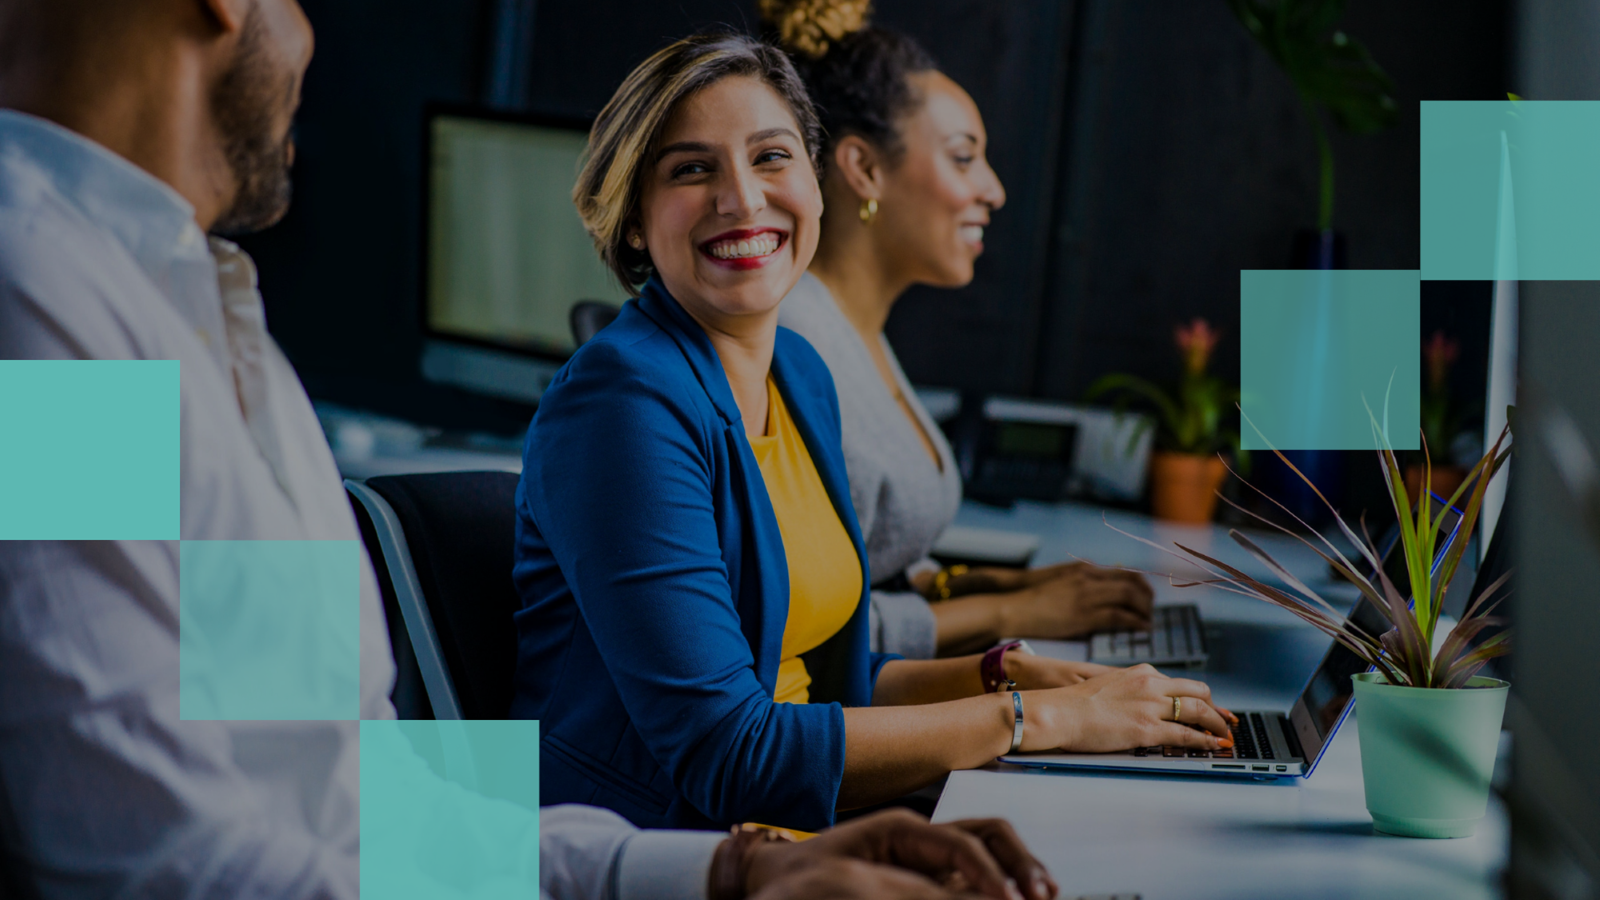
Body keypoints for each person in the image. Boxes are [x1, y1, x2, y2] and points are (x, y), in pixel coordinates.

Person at [0, 3, 1042, 899]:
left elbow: (340, 796)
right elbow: (152, 857)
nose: (312, 34)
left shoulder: (190, 306)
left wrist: (730, 876)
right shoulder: (44, 310)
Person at [513, 31, 1235, 839]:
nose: (744, 199)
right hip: (658, 851)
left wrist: (1003, 674)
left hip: (804, 830)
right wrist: (1040, 717)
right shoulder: (622, 403)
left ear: (817, 185)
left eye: (772, 157)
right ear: (636, 221)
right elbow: (730, 752)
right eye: (692, 169)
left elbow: (830, 686)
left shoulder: (799, 371)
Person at [762, 1, 1155, 660]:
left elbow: (867, 560)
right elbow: (802, 629)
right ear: (863, 169)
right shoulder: (797, 346)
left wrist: (997, 583)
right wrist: (1008, 610)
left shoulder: (856, 331)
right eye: (964, 158)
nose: (994, 190)